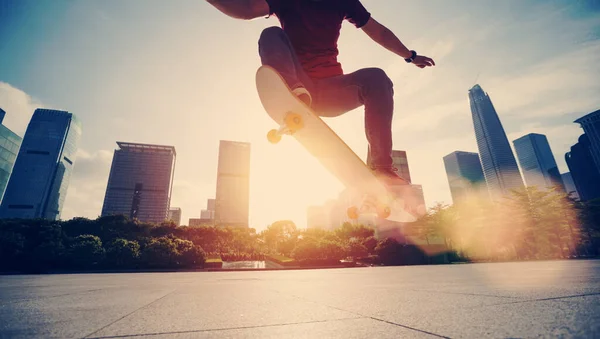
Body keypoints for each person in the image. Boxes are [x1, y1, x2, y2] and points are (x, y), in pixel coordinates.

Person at [206, 0, 435, 185]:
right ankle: (294, 94)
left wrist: (410, 56)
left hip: (330, 91)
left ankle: (382, 169)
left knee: (377, 79)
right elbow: (246, 8)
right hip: (297, 81)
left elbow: (378, 31)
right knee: (271, 34)